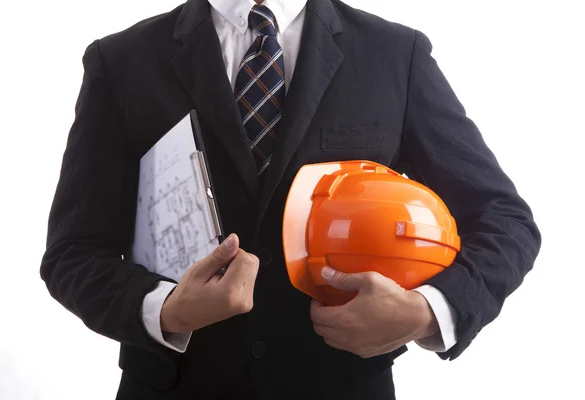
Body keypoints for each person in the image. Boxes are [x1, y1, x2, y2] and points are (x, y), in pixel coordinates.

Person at [40, 0, 541, 398]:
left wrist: (428, 312)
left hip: (340, 385)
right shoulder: (121, 61)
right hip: (173, 387)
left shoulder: (394, 55)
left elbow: (503, 219)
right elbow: (74, 252)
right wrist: (165, 310)